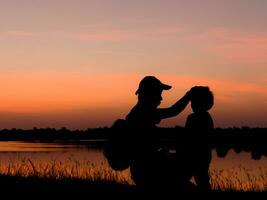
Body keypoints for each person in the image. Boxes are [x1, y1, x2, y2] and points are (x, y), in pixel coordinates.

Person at [125, 76, 191, 189]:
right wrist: (188, 96)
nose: (161, 98)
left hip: (144, 171)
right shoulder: (142, 113)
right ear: (148, 95)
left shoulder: (138, 112)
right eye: (158, 94)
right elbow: (173, 111)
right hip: (148, 172)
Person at [178, 86, 214, 191]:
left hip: (195, 155)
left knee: (188, 178)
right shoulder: (207, 117)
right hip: (203, 155)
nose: (191, 104)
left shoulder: (193, 118)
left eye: (193, 101)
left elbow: (188, 137)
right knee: (202, 179)